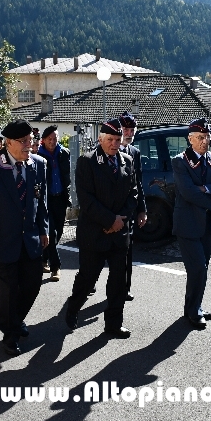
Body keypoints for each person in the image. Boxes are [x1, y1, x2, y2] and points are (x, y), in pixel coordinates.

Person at [0, 120, 49, 356]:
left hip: (31, 239)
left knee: (32, 285)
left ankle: (15, 321)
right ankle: (9, 333)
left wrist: (44, 229)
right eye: (24, 142)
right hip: (2, 240)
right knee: (6, 292)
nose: (29, 146)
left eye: (31, 141)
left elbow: (41, 201)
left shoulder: (38, 164)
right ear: (9, 142)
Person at [64, 119, 137, 339]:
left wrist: (120, 220)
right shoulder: (87, 161)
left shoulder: (127, 160)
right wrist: (109, 221)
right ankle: (73, 308)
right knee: (88, 278)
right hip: (94, 234)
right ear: (100, 139)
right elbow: (86, 200)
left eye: (118, 139)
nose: (115, 144)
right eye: (110, 140)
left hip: (119, 233)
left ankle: (113, 324)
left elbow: (133, 193)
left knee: (118, 282)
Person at [172, 118, 211, 329]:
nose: (205, 141)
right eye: (200, 137)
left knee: (202, 268)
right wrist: (210, 194)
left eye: (207, 137)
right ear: (190, 139)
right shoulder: (180, 161)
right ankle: (194, 311)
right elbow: (187, 192)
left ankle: (193, 307)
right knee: (198, 269)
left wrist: (207, 188)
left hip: (208, 223)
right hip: (187, 224)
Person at [118, 112, 147, 302]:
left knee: (127, 252)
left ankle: (124, 288)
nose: (128, 133)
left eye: (131, 130)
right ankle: (89, 283)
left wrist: (142, 209)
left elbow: (139, 183)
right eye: (125, 129)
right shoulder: (106, 149)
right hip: (110, 211)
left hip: (128, 210)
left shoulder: (134, 153)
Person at [37, 125, 71, 282]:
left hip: (61, 199)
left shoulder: (64, 153)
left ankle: (43, 258)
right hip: (46, 200)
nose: (52, 141)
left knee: (58, 233)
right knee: (50, 233)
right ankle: (55, 267)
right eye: (49, 139)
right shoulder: (38, 156)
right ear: (43, 140)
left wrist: (68, 194)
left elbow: (67, 176)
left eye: (55, 138)